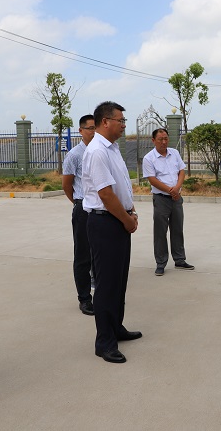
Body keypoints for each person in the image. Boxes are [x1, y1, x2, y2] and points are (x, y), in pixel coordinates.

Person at [82, 101, 141, 364]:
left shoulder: (112, 148)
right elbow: (105, 194)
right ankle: (104, 342)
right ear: (105, 122)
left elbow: (120, 187)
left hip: (118, 219)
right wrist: (126, 220)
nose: (124, 125)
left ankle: (116, 327)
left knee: (119, 280)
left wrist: (130, 211)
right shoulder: (97, 151)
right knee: (106, 284)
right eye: (121, 120)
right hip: (105, 223)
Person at [142, 128, 194, 276]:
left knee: (177, 229)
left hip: (176, 198)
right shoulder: (149, 158)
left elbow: (181, 171)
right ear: (153, 141)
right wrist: (171, 190)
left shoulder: (174, 153)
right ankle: (161, 262)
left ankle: (179, 259)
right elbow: (152, 179)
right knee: (160, 232)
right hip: (161, 199)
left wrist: (177, 189)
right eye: (160, 139)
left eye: (166, 138)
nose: (164, 142)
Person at [62, 114, 96, 315]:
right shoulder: (74, 155)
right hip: (83, 208)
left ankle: (102, 293)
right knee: (83, 256)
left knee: (100, 253)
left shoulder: (102, 151)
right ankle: (84, 298)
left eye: (95, 128)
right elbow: (67, 185)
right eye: (90, 128)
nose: (93, 132)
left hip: (101, 208)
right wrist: (78, 202)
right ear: (81, 131)